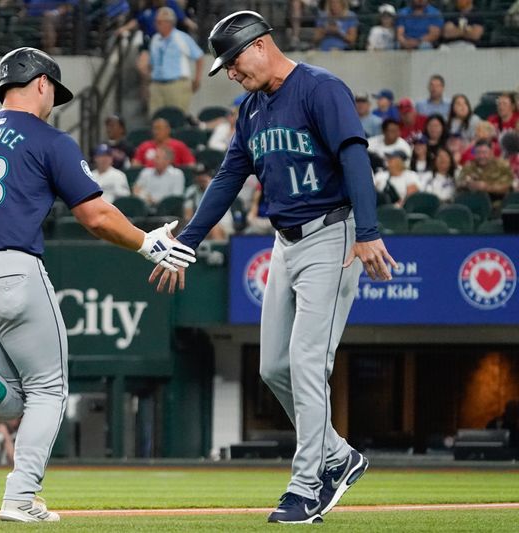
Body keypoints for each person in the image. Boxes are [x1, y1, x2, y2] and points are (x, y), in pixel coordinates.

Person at [0, 47, 195, 523]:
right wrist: (146, 242)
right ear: (40, 83)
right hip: (12, 268)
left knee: (8, 400)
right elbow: (96, 215)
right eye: (53, 91)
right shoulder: (49, 139)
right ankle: (20, 497)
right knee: (49, 389)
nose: (54, 100)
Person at [156, 11, 396, 524]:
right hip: (286, 243)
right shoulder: (250, 110)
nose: (233, 73)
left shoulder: (320, 89)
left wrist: (370, 232)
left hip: (334, 234)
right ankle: (338, 454)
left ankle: (307, 484)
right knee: (272, 367)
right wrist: (189, 241)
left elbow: (355, 158)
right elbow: (227, 179)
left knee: (308, 363)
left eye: (235, 60)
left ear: (262, 44)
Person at [145, 7, 204, 118]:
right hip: (157, 85)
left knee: (178, 117)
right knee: (155, 118)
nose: (156, 24)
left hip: (177, 84)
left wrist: (197, 79)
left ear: (169, 23)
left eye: (159, 22)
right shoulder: (155, 39)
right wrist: (149, 83)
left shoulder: (181, 37)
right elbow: (151, 64)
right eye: (156, 21)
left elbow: (199, 56)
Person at [182, 165, 234, 240]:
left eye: (203, 175)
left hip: (224, 224)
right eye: (198, 175)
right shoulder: (192, 191)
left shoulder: (219, 188)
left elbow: (211, 216)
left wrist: (208, 187)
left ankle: (218, 251)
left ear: (209, 176)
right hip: (201, 226)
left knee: (213, 228)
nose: (200, 178)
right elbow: (187, 215)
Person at [457, 140, 513, 209]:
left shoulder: (501, 165)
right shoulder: (469, 166)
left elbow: (507, 186)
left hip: (498, 205)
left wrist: (486, 187)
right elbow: (459, 184)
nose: (481, 156)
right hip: (474, 206)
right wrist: (467, 183)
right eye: (478, 153)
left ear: (491, 152)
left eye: (484, 152)